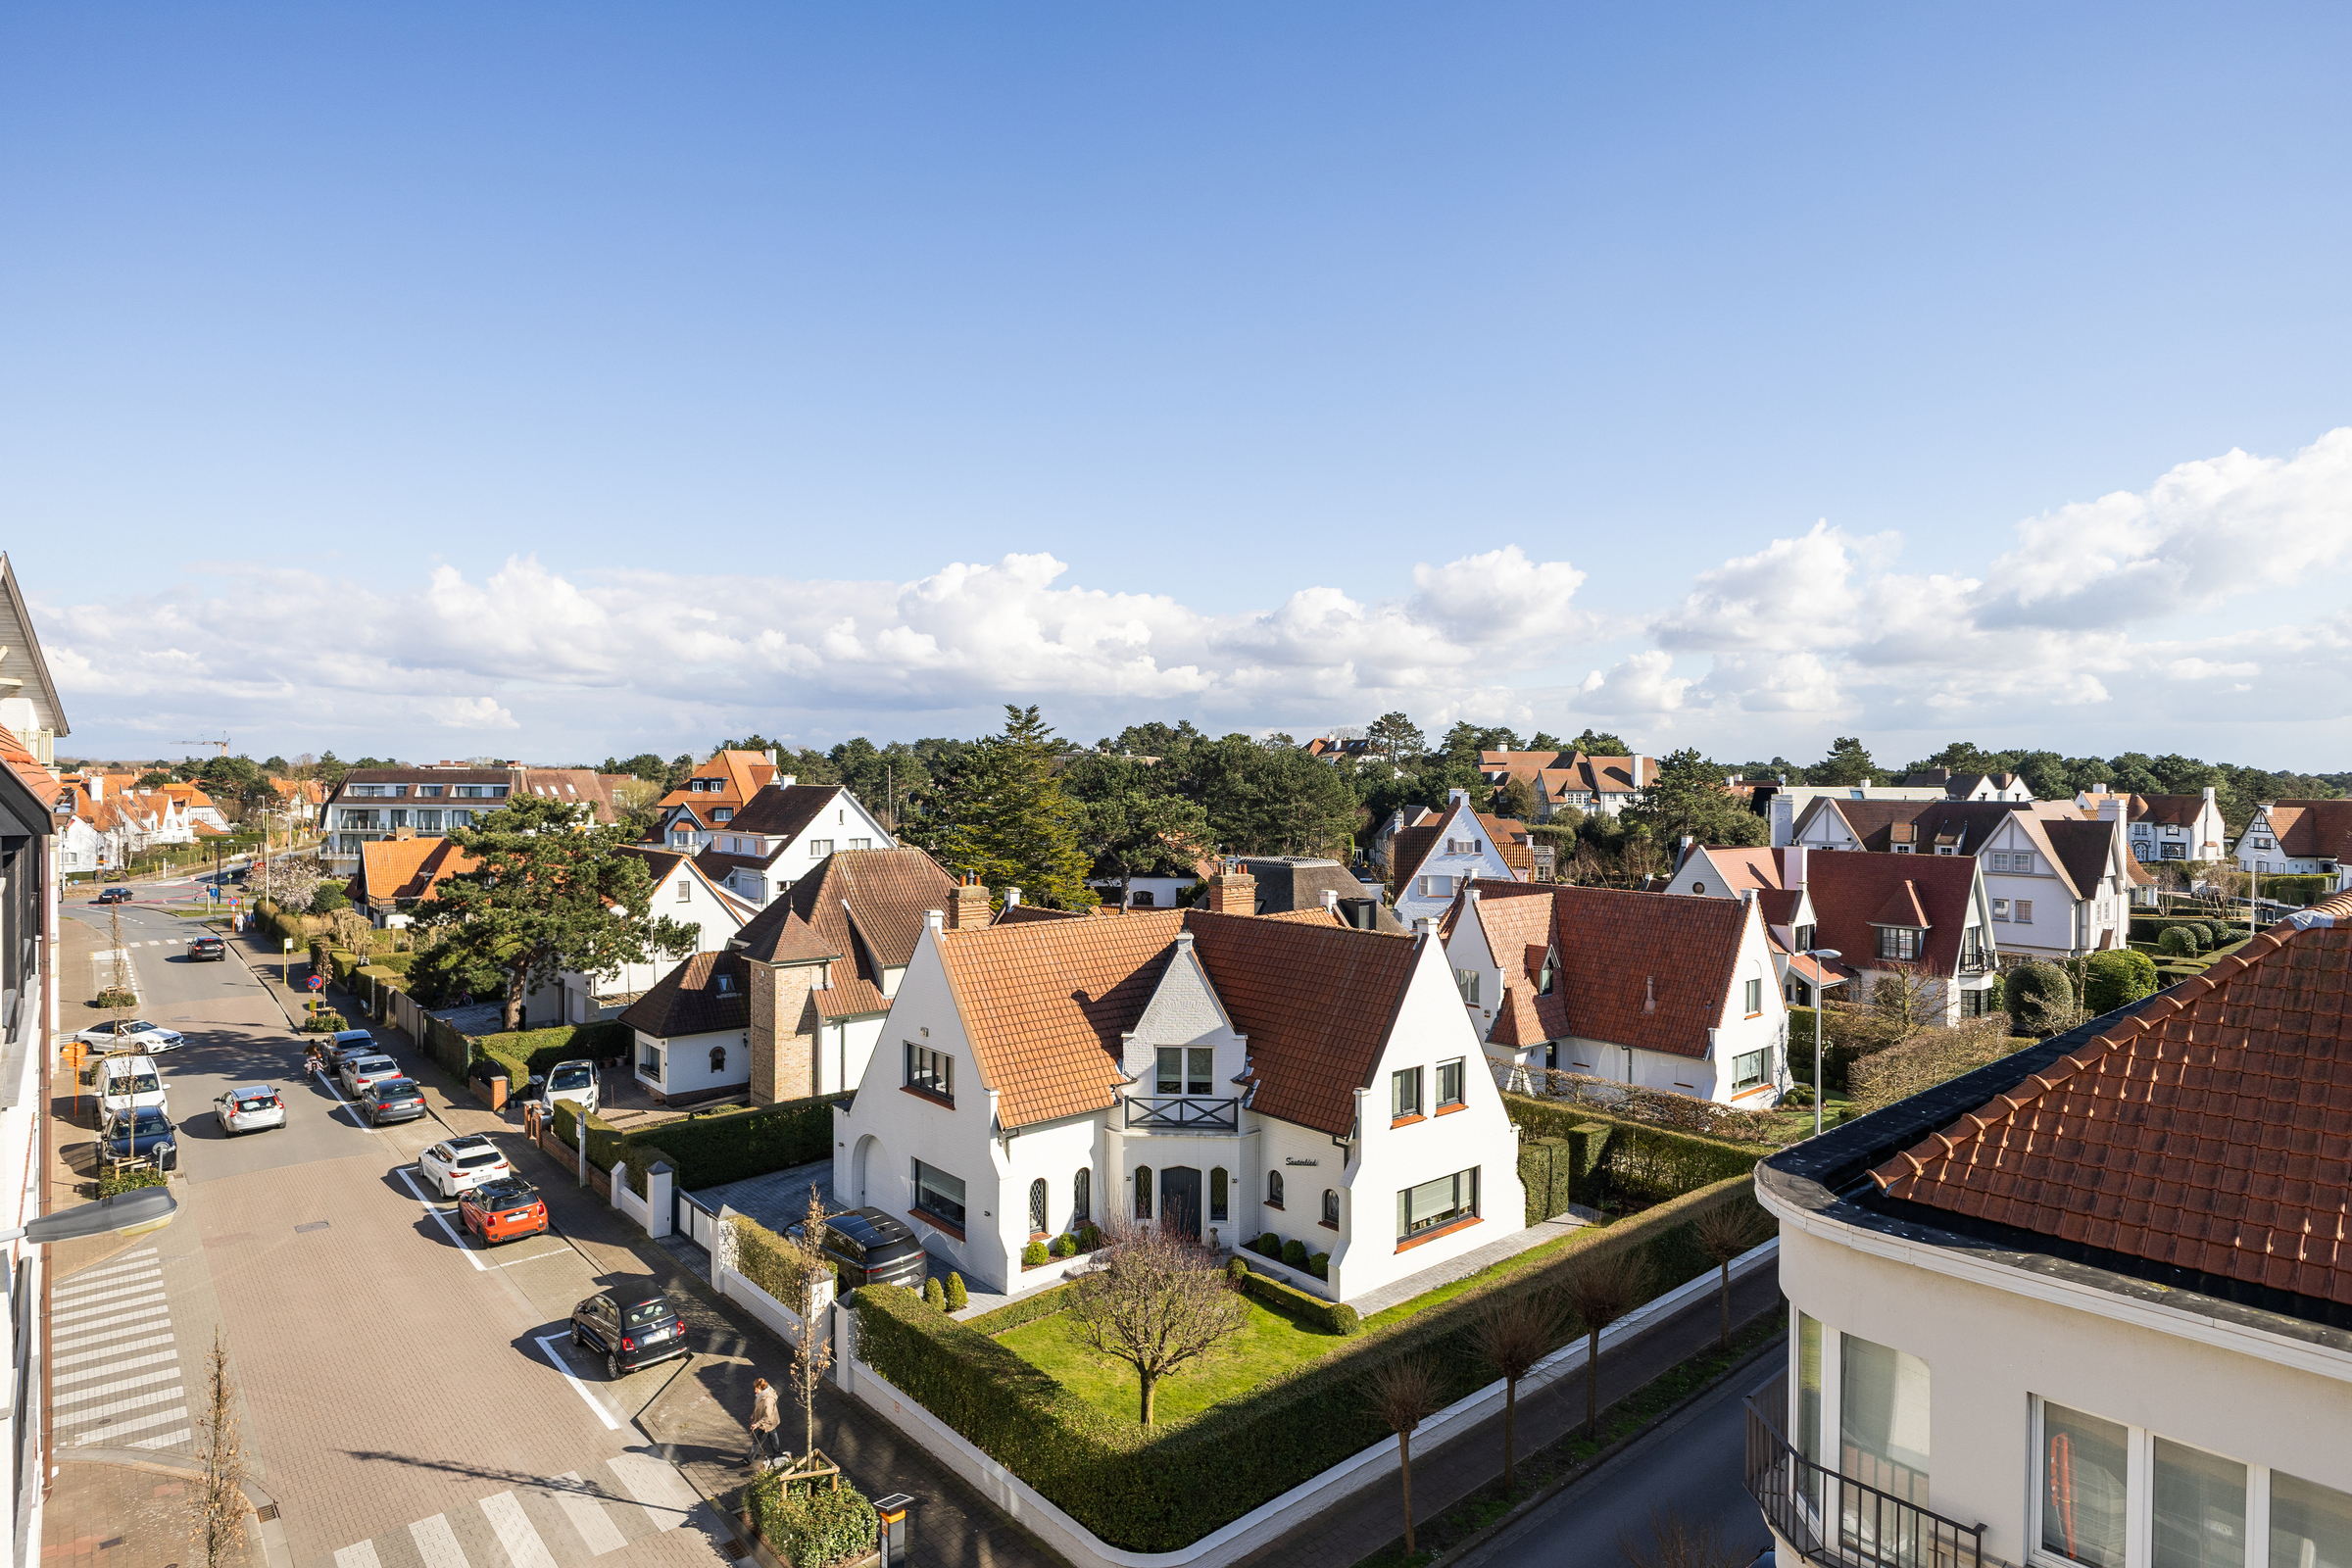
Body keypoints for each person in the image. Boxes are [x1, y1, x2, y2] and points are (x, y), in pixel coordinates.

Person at [748, 1377, 781, 1470]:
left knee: (757, 1441)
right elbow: (759, 1408)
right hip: (771, 1422)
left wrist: (757, 1424)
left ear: (762, 1388)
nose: (755, 1391)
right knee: (773, 1436)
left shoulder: (767, 1400)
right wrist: (754, 1416)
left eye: (757, 1389)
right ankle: (777, 1454)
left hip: (766, 1423)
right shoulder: (762, 1395)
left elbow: (767, 1416)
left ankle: (748, 1459)